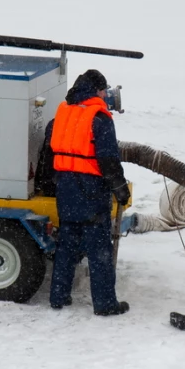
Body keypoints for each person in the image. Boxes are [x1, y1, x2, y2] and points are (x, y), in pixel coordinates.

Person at [48, 69, 132, 316]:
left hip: (66, 189)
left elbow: (50, 149)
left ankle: (58, 297)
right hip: (91, 192)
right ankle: (105, 304)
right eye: (104, 89)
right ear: (96, 90)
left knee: (66, 247)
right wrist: (121, 191)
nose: (106, 94)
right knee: (99, 251)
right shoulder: (99, 118)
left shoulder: (63, 112)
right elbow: (108, 160)